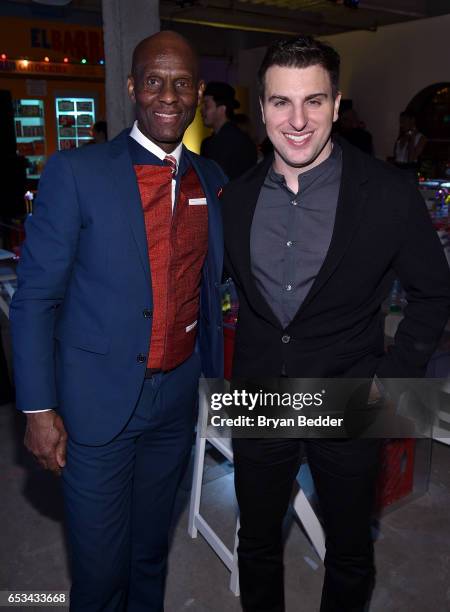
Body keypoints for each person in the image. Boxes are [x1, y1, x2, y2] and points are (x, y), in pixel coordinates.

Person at [221, 36, 450, 612]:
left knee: (350, 549)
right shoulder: (237, 198)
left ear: (337, 102)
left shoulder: (390, 192)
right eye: (281, 103)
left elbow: (433, 292)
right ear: (262, 105)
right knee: (257, 543)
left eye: (314, 101)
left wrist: (393, 383)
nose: (297, 121)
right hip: (259, 397)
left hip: (352, 396)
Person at [10, 31, 225, 611]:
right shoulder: (76, 172)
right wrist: (36, 408)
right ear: (132, 88)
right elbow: (33, 299)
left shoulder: (211, 179)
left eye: (182, 83)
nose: (168, 95)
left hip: (177, 399)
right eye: (154, 81)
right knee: (101, 573)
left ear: (199, 94)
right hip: (97, 403)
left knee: (149, 554)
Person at [200, 81, 257, 178]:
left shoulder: (231, 142)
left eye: (206, 105)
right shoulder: (241, 139)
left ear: (222, 109)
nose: (202, 110)